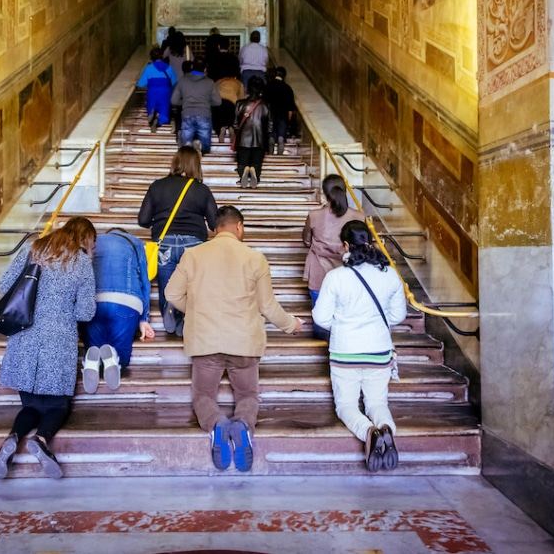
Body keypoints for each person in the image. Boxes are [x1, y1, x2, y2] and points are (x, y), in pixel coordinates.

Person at [165, 206, 302, 472]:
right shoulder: (255, 258)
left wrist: (196, 310)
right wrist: (291, 324)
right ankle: (242, 425)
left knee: (203, 395)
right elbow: (267, 305)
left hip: (206, 341)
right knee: (248, 394)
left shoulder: (193, 255)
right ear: (239, 227)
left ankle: (216, 423)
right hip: (244, 341)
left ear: (215, 229)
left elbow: (172, 294)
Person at [0, 217, 98, 479]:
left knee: (29, 405)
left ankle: (13, 438)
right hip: (58, 338)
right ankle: (40, 440)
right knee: (58, 406)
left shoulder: (34, 248)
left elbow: (5, 286)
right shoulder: (81, 262)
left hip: (24, 334)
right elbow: (85, 312)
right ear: (85, 239)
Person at [311, 220, 407, 472]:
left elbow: (320, 318)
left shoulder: (335, 277)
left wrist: (343, 326)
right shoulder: (390, 274)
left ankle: (369, 433)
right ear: (371, 242)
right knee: (377, 403)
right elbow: (397, 316)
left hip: (345, 352)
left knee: (346, 406)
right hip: (379, 351)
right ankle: (386, 428)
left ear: (345, 245)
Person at [138, 146, 218, 336]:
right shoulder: (201, 190)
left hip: (164, 242)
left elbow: (143, 220)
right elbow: (215, 223)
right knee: (192, 283)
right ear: (196, 165)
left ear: (175, 162)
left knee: (167, 283)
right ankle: (186, 317)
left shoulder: (157, 186)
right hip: (194, 245)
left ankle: (170, 308)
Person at [81, 228, 155, 394]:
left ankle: (92, 361)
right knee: (121, 356)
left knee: (95, 343)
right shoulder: (135, 242)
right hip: (127, 302)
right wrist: (144, 319)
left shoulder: (93, 240)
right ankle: (116, 359)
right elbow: (145, 280)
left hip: (94, 301)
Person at [303, 175, 366, 312]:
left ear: (325, 193)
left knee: (320, 315)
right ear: (344, 191)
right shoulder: (359, 217)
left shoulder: (314, 215)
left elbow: (306, 241)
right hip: (349, 273)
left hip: (319, 273)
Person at [171, 58, 221, 153]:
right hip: (204, 114)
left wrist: (186, 102)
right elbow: (218, 102)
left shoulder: (182, 81)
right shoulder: (210, 82)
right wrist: (205, 102)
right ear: (205, 69)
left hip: (187, 114)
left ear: (192, 67)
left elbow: (174, 100)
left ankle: (189, 146)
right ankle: (200, 147)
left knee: (186, 148)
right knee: (205, 147)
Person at [233, 76, 270, 188]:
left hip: (243, 140)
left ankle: (243, 172)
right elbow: (270, 126)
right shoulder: (266, 105)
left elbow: (235, 124)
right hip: (260, 140)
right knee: (257, 162)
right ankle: (255, 173)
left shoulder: (240, 103)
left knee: (242, 162)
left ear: (248, 89)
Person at [136, 46, 177, 132]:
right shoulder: (168, 68)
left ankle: (152, 118)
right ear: (162, 56)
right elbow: (174, 82)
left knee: (151, 107)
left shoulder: (149, 68)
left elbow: (141, 84)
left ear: (151, 57)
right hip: (165, 92)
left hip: (152, 92)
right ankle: (159, 121)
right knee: (164, 112)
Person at [264, 66, 296, 155]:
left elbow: (264, 103)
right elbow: (290, 108)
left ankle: (271, 139)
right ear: (284, 76)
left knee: (271, 132)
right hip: (283, 115)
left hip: (270, 114)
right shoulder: (288, 88)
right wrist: (288, 120)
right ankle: (281, 139)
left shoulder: (268, 86)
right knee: (281, 134)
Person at [213, 74, 244, 143]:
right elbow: (241, 98)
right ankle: (231, 128)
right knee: (232, 117)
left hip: (220, 103)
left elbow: (213, 94)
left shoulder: (219, 82)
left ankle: (221, 129)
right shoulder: (238, 83)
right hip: (232, 103)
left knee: (218, 119)